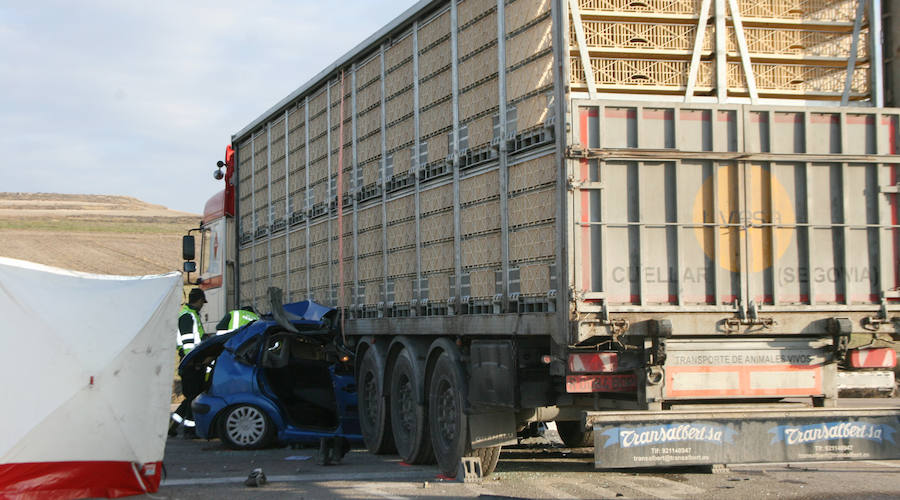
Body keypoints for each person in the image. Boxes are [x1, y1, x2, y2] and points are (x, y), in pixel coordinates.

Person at [169, 288, 207, 437]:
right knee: (193, 397)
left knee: (191, 396)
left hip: (192, 362)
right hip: (191, 363)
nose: (203, 305)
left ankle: (173, 426)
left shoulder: (191, 315)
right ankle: (189, 430)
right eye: (202, 302)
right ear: (198, 301)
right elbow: (188, 345)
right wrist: (196, 362)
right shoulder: (187, 316)